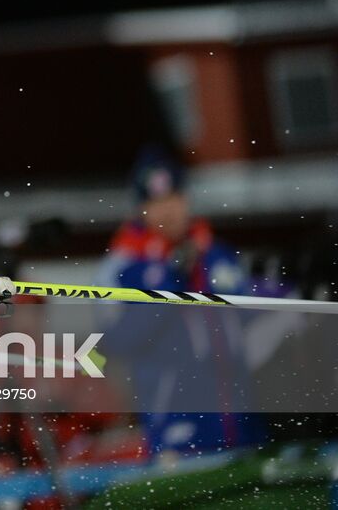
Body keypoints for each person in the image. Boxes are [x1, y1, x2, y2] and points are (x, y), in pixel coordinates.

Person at [98, 145, 267, 456]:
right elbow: (116, 341)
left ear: (186, 199)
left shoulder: (215, 252)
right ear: (140, 209)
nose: (167, 211)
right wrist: (169, 284)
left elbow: (250, 319)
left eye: (173, 198)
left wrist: (282, 291)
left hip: (242, 420)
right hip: (175, 426)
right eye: (155, 202)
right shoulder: (123, 266)